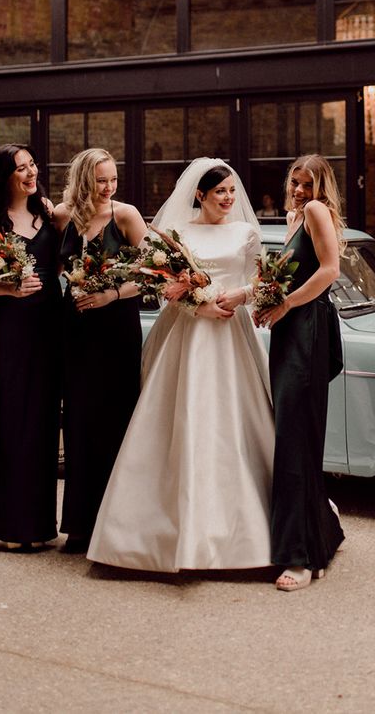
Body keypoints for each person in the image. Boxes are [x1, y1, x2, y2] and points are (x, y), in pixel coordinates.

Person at [87, 157, 275, 573]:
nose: (228, 198)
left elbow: (259, 280)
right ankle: (147, 534)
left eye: (231, 191)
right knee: (177, 419)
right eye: (220, 192)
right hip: (186, 334)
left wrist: (238, 296)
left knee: (234, 422)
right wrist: (197, 305)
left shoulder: (246, 231)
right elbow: (159, 280)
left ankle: (245, 533)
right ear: (199, 195)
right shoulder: (178, 233)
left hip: (231, 333)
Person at [0, 144, 62, 551]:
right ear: (4, 176)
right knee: (10, 418)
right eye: (21, 168)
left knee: (41, 421)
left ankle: (37, 525)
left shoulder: (50, 216)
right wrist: (10, 288)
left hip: (49, 326)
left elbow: (58, 268)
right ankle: (7, 523)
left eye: (33, 165)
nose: (30, 173)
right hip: (9, 329)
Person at [256, 154, 345, 591]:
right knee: (299, 440)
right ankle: (321, 537)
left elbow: (330, 270)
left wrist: (286, 303)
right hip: (291, 331)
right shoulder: (296, 217)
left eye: (306, 183)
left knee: (294, 441)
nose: (298, 190)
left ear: (320, 186)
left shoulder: (315, 211)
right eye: (294, 182)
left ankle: (301, 558)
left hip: (307, 331)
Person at [54, 148, 146, 553]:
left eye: (112, 179)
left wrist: (111, 294)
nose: (108, 188)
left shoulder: (125, 215)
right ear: (82, 181)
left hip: (116, 331)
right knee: (78, 423)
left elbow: (152, 274)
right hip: (75, 332)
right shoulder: (61, 217)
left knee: (117, 422)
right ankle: (79, 524)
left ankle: (118, 524)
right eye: (100, 181)